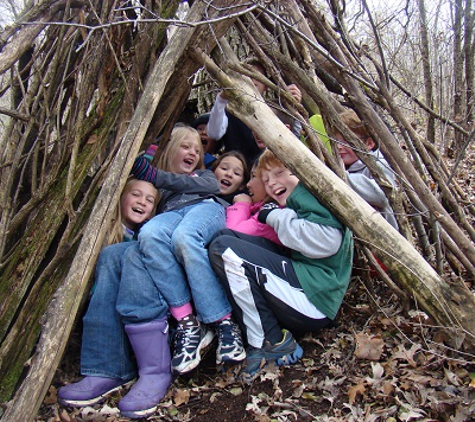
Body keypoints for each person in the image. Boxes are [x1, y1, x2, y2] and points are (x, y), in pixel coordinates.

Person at [208, 149, 354, 382]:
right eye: (265, 180)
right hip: (305, 286)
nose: (272, 183)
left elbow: (328, 241)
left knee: (225, 248)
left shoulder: (310, 195)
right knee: (225, 239)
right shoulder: (299, 199)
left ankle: (268, 341)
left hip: (314, 298)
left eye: (279, 173)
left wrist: (275, 216)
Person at [129, 126, 246, 376]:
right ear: (171, 150)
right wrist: (149, 154)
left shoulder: (204, 176)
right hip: (171, 214)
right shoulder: (160, 190)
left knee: (184, 237)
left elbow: (175, 180)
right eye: (185, 147)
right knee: (149, 235)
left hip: (204, 209)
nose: (193, 152)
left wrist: (153, 174)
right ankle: (187, 322)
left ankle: (223, 322)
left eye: (197, 149)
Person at [57, 179, 166, 420]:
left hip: (152, 316)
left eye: (149, 200)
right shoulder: (105, 235)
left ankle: (152, 371)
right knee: (112, 253)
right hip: (112, 319)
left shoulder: (153, 238)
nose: (142, 202)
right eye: (136, 195)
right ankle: (105, 369)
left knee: (129, 254)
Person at [207, 58, 302, 165]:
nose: (251, 79)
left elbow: (295, 140)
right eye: (246, 75)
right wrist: (221, 99)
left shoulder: (275, 110)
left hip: (268, 170)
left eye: (256, 75)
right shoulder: (230, 109)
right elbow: (214, 133)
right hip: (236, 172)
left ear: (266, 85)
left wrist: (293, 108)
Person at [333, 109, 398, 230]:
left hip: (383, 236)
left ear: (369, 144)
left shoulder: (379, 164)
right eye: (336, 141)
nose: (339, 146)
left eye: (346, 141)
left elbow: (382, 195)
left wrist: (341, 176)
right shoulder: (344, 164)